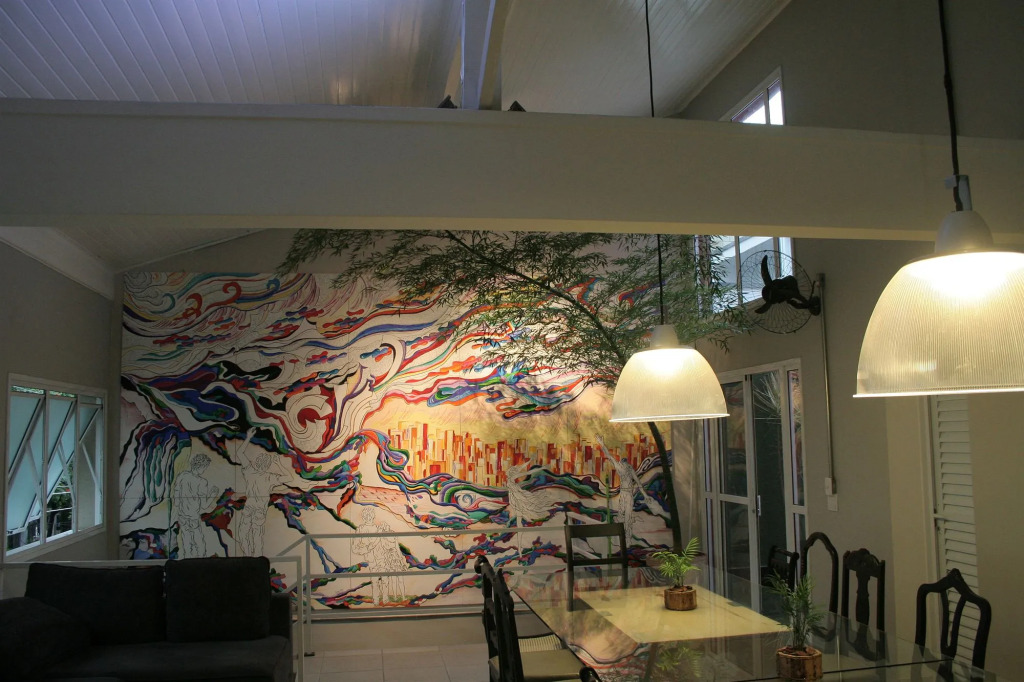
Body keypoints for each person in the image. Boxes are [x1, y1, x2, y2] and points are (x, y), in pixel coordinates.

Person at [234, 428, 291, 556]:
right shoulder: (269, 477)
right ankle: (256, 559)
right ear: (266, 466)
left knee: (244, 532)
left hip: (250, 505)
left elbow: (240, 453)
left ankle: (248, 556)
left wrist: (248, 438)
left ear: (257, 463)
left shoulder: (250, 471)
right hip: (260, 507)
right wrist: (279, 464)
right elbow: (289, 477)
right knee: (257, 534)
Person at [352, 506, 407, 606]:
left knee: (385, 580)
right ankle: (376, 600)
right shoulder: (360, 530)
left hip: (382, 558)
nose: (369, 518)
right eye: (366, 516)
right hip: (371, 559)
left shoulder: (378, 528)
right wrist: (367, 548)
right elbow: (355, 548)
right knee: (375, 581)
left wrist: (387, 531)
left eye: (370, 516)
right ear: (364, 517)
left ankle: (385, 598)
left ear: (373, 516)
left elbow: (389, 542)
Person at [172, 452, 219, 558]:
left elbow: (176, 496)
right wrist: (213, 494)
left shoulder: (182, 476)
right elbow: (204, 505)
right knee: (199, 542)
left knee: (186, 541)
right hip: (193, 516)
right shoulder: (201, 482)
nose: (204, 470)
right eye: (205, 468)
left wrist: (180, 506)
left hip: (182, 515)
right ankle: (201, 562)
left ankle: (187, 560)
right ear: (201, 466)